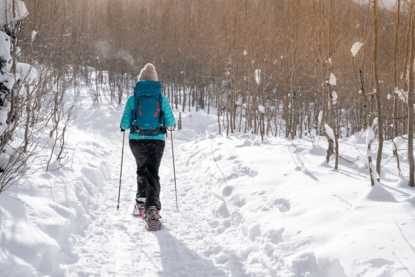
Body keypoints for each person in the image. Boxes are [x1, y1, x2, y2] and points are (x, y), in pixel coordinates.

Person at [120, 63, 175, 230]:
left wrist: (124, 127)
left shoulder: (134, 98)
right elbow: (171, 123)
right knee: (153, 172)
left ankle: (140, 202)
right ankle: (152, 209)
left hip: (136, 139)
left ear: (140, 80)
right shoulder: (161, 98)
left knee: (141, 169)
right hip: (157, 139)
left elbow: (124, 123)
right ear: (155, 80)